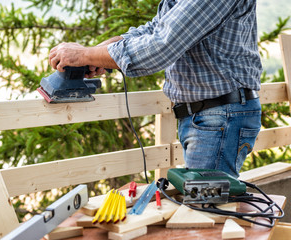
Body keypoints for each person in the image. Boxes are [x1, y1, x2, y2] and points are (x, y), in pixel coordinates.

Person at [48, 0, 262, 178]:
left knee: (205, 212)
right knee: (205, 208)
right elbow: (155, 28)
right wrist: (98, 52)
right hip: (209, 115)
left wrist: (85, 55)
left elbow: (161, 46)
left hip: (220, 115)